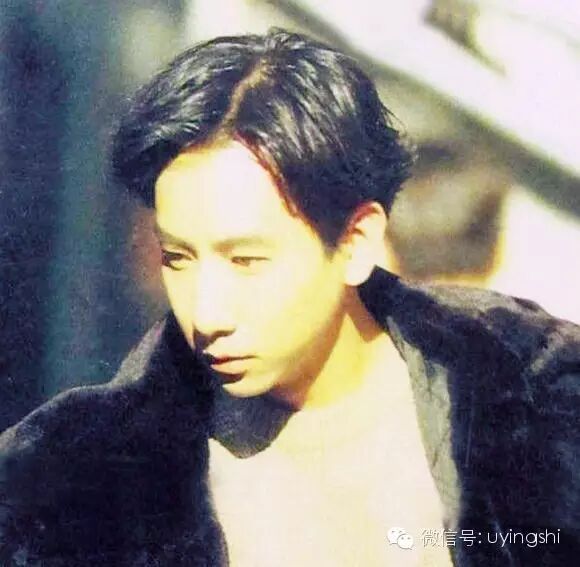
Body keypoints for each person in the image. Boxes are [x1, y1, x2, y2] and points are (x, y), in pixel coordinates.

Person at [1, 28, 579, 567]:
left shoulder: (544, 402)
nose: (206, 312)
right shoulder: (61, 488)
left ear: (355, 242)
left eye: (247, 261)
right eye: (177, 257)